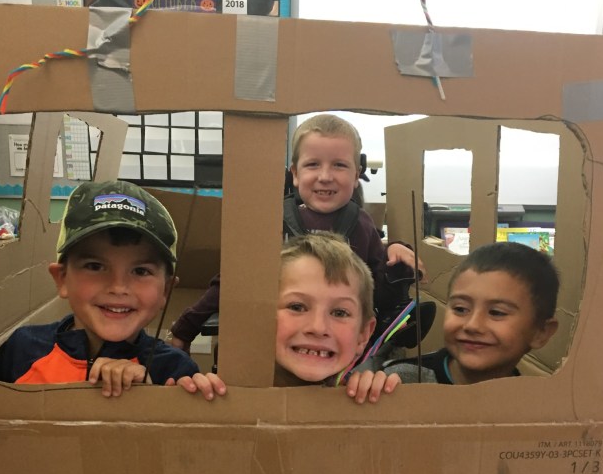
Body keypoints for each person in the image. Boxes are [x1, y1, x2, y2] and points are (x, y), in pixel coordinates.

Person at [169, 113, 422, 352]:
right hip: (272, 342)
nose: (325, 176)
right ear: (295, 174)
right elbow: (233, 279)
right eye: (313, 164)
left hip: (337, 348)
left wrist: (396, 254)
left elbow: (379, 294)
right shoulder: (271, 221)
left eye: (339, 165)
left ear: (356, 175)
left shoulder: (363, 226)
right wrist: (185, 329)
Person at [0, 179, 217, 399]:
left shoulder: (173, 370)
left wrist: (161, 398)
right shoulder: (22, 349)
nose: (118, 287)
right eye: (95, 266)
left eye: (140, 271)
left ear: (166, 291)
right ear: (61, 279)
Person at [183, 233, 400, 404]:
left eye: (339, 313)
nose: (318, 327)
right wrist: (199, 394)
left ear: (364, 334)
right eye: (297, 306)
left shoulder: (363, 395)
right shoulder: (222, 390)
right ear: (260, 317)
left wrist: (378, 397)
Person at [383, 242, 560, 385]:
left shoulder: (536, 405)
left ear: (541, 332)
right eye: (460, 309)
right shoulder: (399, 381)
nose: (472, 325)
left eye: (497, 313)